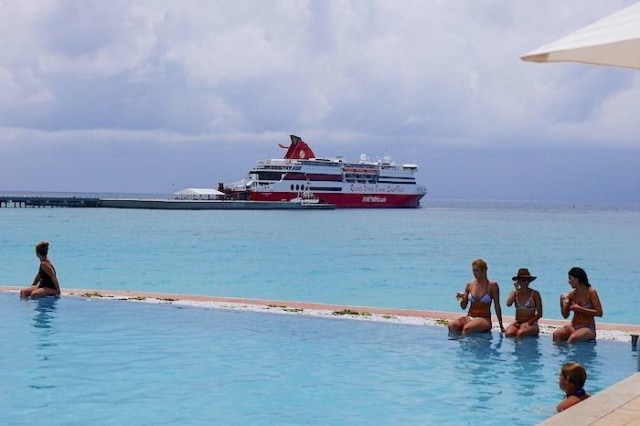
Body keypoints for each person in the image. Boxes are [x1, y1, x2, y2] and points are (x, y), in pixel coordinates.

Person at [448, 259, 505, 335]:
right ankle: (460, 344)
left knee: (467, 328)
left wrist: (501, 326)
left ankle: (465, 343)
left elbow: (497, 306)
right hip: (470, 317)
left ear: (484, 270)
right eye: (473, 270)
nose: (474, 273)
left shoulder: (492, 286)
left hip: (484, 319)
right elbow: (463, 307)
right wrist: (463, 298)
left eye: (477, 271)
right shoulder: (469, 285)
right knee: (452, 325)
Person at [552, 267, 603, 343]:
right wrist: (562, 303)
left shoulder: (591, 292)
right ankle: (563, 354)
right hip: (574, 326)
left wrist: (580, 309)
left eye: (570, 279)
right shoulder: (572, 294)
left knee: (573, 338)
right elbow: (565, 316)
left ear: (577, 279)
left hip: (588, 328)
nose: (569, 282)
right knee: (556, 334)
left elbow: (599, 313)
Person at [505, 268, 543, 338]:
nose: (526, 282)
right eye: (523, 280)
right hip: (518, 323)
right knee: (508, 333)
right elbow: (508, 304)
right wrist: (515, 290)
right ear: (518, 281)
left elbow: (540, 314)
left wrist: (528, 323)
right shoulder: (514, 293)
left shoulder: (535, 294)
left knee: (520, 333)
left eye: (528, 280)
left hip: (532, 323)